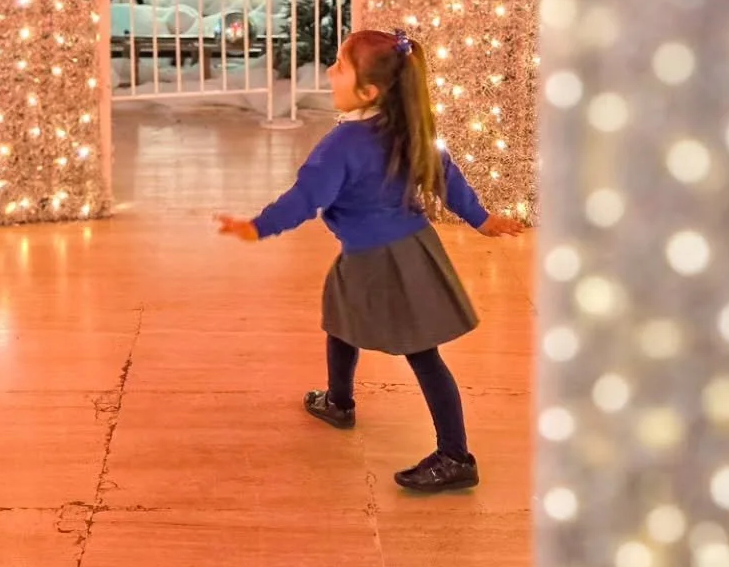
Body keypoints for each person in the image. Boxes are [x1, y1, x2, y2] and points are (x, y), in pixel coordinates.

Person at [217, 28, 521, 494]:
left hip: (382, 259)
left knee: (421, 354)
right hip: (405, 248)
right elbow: (447, 176)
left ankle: (456, 456)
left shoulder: (342, 146)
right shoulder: (408, 127)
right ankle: (339, 402)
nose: (329, 73)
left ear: (369, 91)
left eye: (339, 67)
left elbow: (306, 198)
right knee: (342, 318)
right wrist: (481, 219)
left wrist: (257, 226)